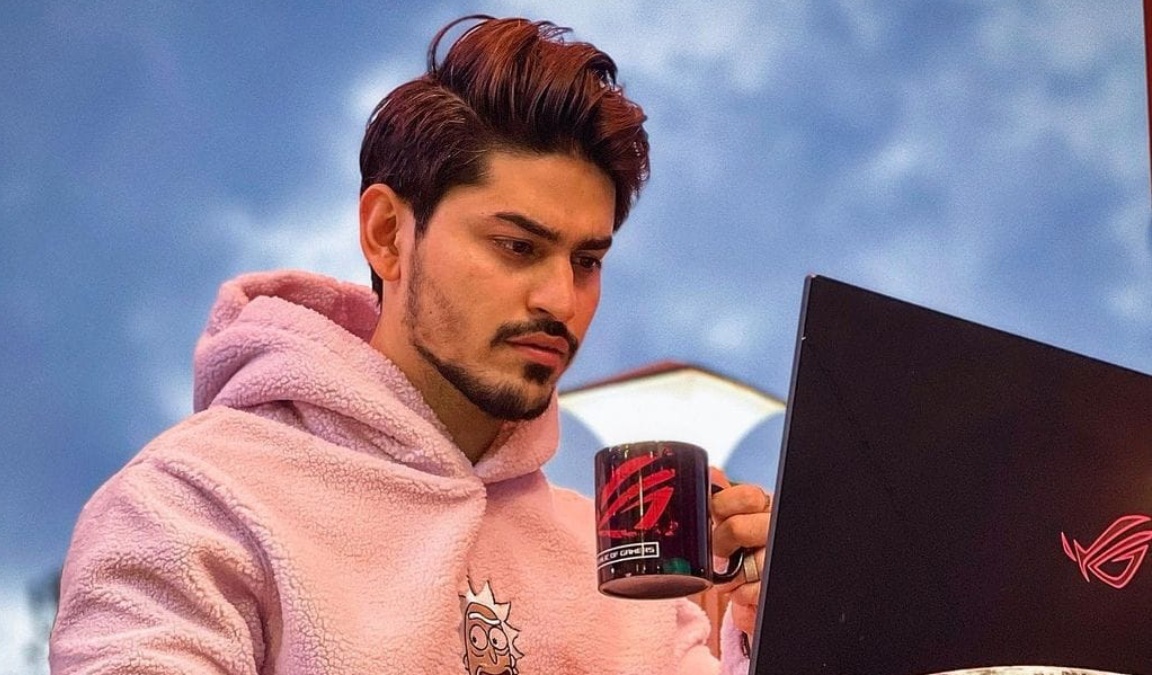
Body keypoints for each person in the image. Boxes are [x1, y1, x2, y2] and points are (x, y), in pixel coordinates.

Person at [50, 15, 772, 674]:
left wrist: (776, 632)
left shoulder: (618, 575)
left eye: (586, 261)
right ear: (388, 234)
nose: (561, 299)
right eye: (517, 245)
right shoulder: (194, 501)